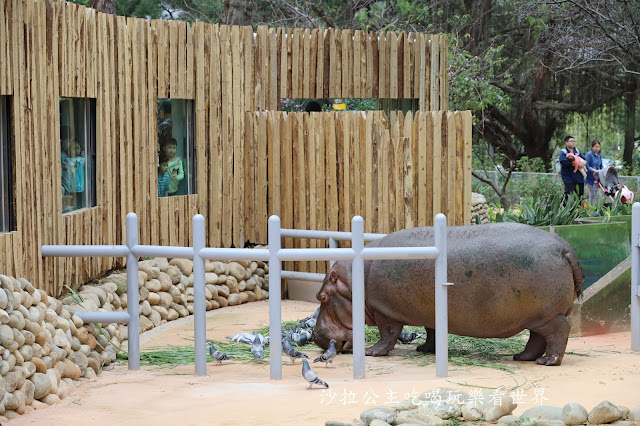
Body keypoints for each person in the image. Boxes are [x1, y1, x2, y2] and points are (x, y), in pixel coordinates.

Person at [558, 135, 586, 201]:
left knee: (580, 194)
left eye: (574, 141)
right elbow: (563, 162)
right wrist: (575, 163)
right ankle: (563, 207)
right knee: (569, 193)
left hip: (579, 177)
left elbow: (584, 159)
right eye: (571, 141)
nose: (573, 142)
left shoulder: (577, 151)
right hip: (568, 177)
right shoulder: (564, 152)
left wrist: (583, 163)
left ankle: (578, 209)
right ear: (566, 142)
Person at [584, 140, 603, 205]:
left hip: (597, 178)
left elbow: (601, 165)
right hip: (589, 178)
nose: (597, 149)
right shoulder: (589, 155)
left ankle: (596, 207)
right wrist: (594, 170)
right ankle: (591, 208)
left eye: (598, 147)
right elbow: (586, 166)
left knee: (597, 194)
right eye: (596, 147)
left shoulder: (599, 155)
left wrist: (602, 171)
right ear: (592, 147)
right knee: (592, 194)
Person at [69, 140, 85, 207]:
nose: (76, 151)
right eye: (74, 149)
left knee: (79, 199)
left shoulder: (81, 159)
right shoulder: (69, 160)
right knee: (73, 198)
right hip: (73, 184)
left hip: (80, 184)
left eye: (78, 149)